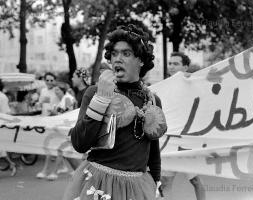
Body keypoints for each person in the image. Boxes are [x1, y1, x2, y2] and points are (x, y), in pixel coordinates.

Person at [63, 24, 167, 200]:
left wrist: (154, 183)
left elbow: (153, 151)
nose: (118, 59)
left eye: (126, 53)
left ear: (141, 60)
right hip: (98, 184)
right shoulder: (94, 92)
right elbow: (79, 144)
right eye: (114, 53)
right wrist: (101, 99)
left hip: (137, 188)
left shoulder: (152, 100)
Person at [160, 52, 206, 200]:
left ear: (185, 67)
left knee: (196, 181)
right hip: (170, 142)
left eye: (176, 64)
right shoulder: (164, 87)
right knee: (165, 182)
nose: (171, 67)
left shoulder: (193, 85)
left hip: (187, 142)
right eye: (170, 63)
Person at [36, 83, 76, 180]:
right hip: (61, 128)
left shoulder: (67, 98)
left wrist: (54, 112)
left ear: (63, 90)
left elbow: (66, 113)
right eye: (55, 90)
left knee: (59, 149)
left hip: (67, 128)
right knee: (56, 149)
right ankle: (51, 170)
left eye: (58, 90)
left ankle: (52, 172)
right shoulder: (63, 99)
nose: (56, 92)